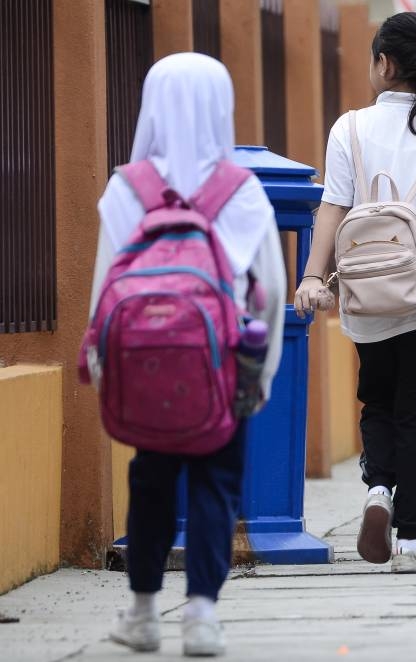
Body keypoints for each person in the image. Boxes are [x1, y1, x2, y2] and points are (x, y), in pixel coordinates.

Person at [90, 53, 286, 655]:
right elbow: (270, 288)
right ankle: (201, 613)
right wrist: (263, 368)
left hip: (145, 364)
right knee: (214, 484)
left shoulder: (127, 186)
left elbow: (107, 283)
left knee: (150, 481)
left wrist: (103, 362)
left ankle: (144, 610)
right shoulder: (241, 188)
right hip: (221, 364)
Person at [293, 12, 416, 573]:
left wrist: (310, 276)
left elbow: (332, 206)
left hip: (366, 296)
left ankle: (378, 489)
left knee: (377, 400)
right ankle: (408, 542)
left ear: (384, 63)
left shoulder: (348, 127)